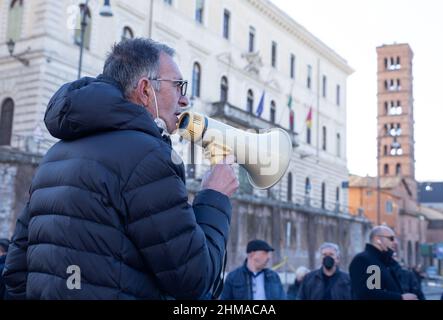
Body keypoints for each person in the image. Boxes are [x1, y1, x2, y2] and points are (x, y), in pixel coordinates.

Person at [2, 38, 239, 300]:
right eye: (179, 86)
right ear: (146, 90)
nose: (184, 100)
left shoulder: (54, 156)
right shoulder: (148, 157)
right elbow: (193, 279)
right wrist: (214, 196)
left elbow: (15, 274)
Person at [349, 225, 418, 300]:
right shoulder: (365, 260)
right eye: (391, 238)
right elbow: (369, 294)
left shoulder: (384, 261)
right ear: (377, 239)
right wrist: (401, 297)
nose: (395, 242)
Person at [221, 239, 285, 300]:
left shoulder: (273, 277)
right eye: (264, 253)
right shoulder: (233, 277)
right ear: (251, 254)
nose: (268, 257)